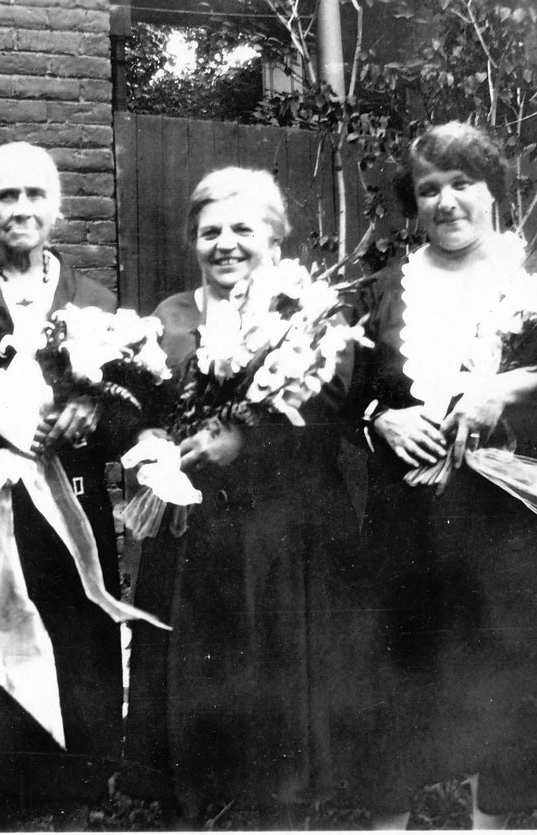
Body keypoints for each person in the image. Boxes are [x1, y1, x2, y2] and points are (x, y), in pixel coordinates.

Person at [346, 122, 537, 828]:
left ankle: (493, 818)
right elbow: (349, 398)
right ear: (411, 207)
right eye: (428, 190)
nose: (446, 202)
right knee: (407, 674)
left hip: (516, 530)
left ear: (493, 191)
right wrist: (379, 419)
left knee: (516, 677)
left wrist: (504, 389)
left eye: (461, 183)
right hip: (413, 526)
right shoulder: (384, 290)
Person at [121, 167, 360, 827]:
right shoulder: (169, 317)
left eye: (241, 229)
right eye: (209, 231)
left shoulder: (308, 312)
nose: (224, 243)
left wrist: (242, 439)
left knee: (276, 667)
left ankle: (280, 805)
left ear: (275, 240)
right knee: (199, 668)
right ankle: (198, 796)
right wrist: (152, 439)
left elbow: (331, 401)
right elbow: (139, 402)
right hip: (192, 530)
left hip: (284, 525)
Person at [0, 141, 132, 823]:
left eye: (35, 195)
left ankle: (73, 797)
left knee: (74, 649)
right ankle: (1, 798)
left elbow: (129, 415)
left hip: (68, 511)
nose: (21, 209)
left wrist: (91, 411)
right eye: (6, 196)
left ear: (57, 208)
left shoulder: (93, 299)